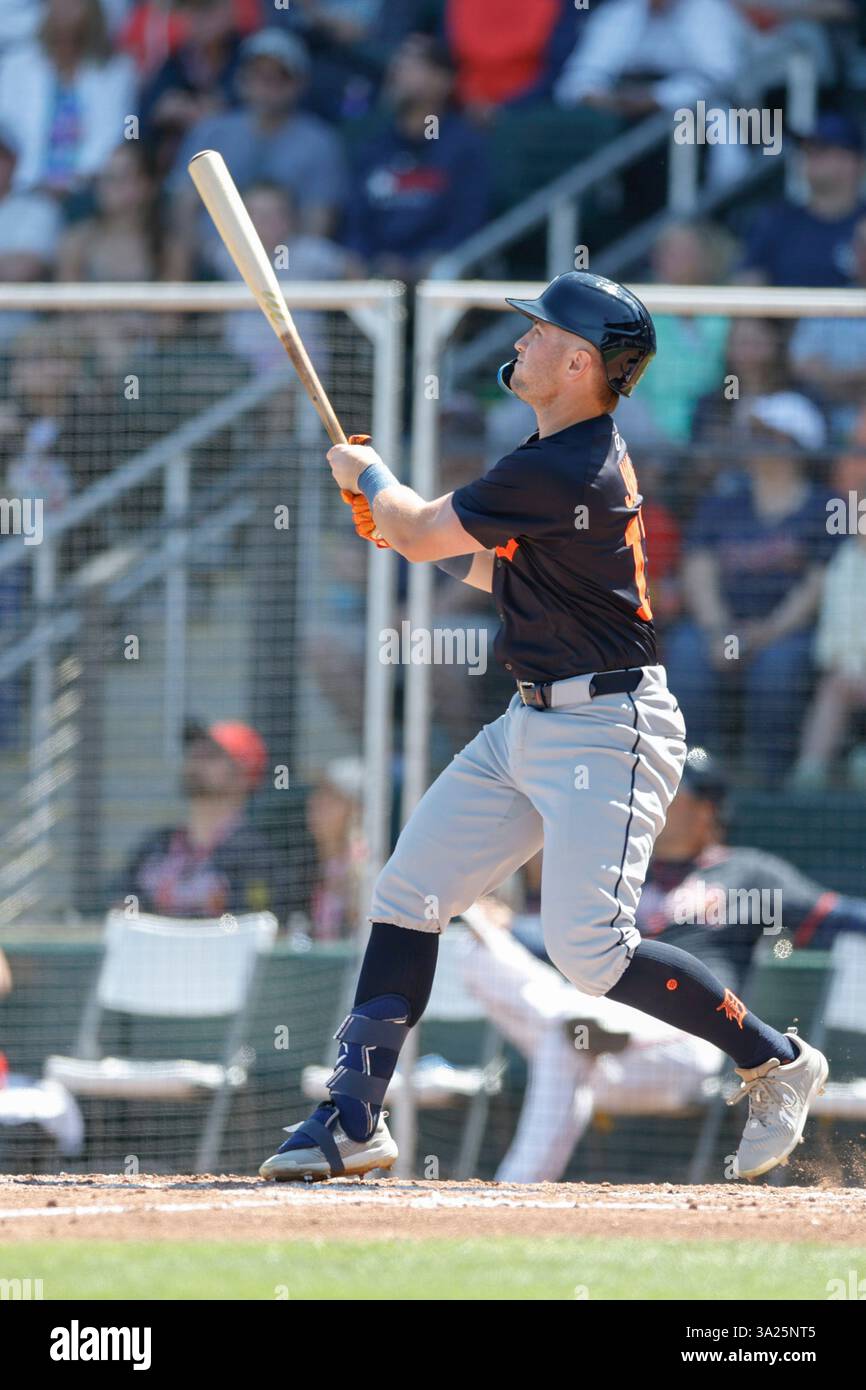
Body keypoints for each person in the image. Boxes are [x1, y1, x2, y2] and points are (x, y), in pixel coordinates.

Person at [259, 270, 829, 1185]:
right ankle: (352, 1115)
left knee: (591, 952)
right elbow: (496, 573)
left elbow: (420, 529)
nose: (520, 343)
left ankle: (775, 1061)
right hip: (530, 719)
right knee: (408, 892)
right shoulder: (554, 455)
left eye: (537, 334)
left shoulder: (569, 460)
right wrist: (399, 522)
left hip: (610, 725)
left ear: (578, 360)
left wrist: (377, 487)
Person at [462, 744, 866, 1181]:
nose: (655, 802)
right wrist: (503, 925)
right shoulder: (628, 872)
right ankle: (574, 1023)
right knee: (484, 955)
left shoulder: (748, 873)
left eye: (672, 794)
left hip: (685, 1040)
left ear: (708, 809)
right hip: (600, 1033)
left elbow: (837, 916)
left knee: (569, 1038)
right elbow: (558, 945)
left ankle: (517, 1185)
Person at [664, 392, 833, 782]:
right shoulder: (725, 501)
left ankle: (767, 777)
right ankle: (697, 769)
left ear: (794, 445)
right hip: (722, 625)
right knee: (689, 655)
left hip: (787, 631)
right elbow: (699, 566)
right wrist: (718, 629)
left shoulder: (823, 506)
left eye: (765, 433)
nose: (752, 441)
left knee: (778, 668)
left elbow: (819, 583)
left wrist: (766, 633)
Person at [170, 28, 347, 246]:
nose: (267, 84)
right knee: (176, 248)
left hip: (287, 266)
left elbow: (318, 225)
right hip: (212, 259)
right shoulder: (211, 131)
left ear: (300, 84)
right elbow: (183, 206)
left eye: (280, 76)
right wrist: (204, 258)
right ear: (241, 79)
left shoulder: (320, 143)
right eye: (258, 74)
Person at [111, 719, 289, 922]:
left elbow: (255, 928)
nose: (196, 759)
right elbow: (117, 902)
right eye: (194, 752)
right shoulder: (156, 844)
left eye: (211, 755)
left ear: (243, 775)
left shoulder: (255, 857)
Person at [343, 34, 489, 281]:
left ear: (443, 80)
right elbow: (355, 222)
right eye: (397, 62)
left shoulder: (464, 147)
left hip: (435, 277)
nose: (398, 70)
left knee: (444, 270)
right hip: (375, 273)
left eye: (413, 63)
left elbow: (467, 226)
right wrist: (364, 258)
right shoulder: (375, 145)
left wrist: (412, 264)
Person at [0, 0, 136, 197]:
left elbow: (129, 129)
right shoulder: (16, 66)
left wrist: (84, 177)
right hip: (23, 187)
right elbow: (5, 132)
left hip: (90, 189)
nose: (64, 8)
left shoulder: (119, 71)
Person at [737, 112, 866, 288]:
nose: (809, 156)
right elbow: (748, 292)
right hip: (785, 316)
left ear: (854, 162)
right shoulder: (777, 221)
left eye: (822, 149)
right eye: (806, 150)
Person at [789, 213, 866, 442]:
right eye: (861, 244)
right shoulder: (828, 304)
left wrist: (840, 377)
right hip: (828, 431)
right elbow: (804, 369)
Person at [0, 121, 61, 344]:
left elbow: (23, 270)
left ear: (14, 161)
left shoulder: (38, 209)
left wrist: (13, 266)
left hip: (17, 342)